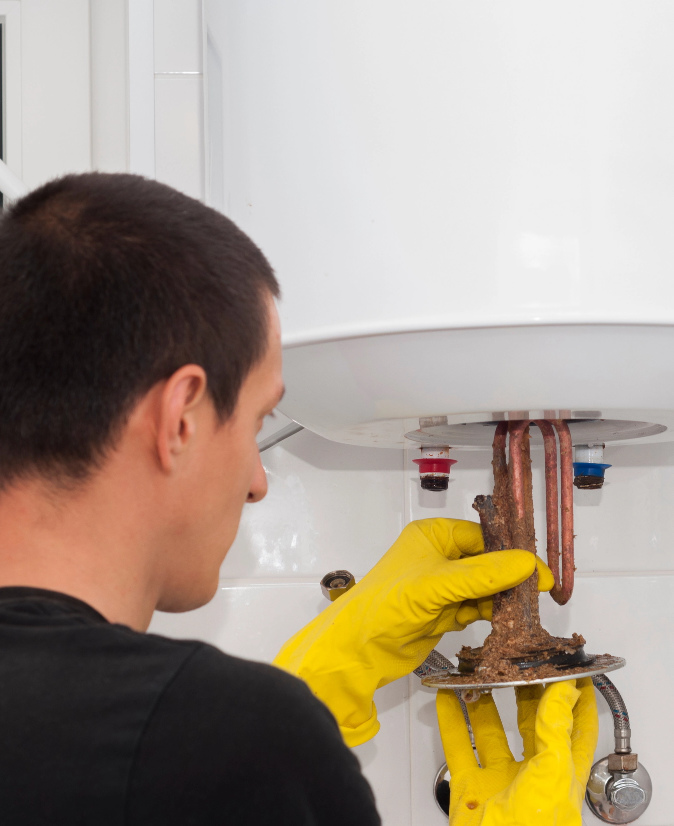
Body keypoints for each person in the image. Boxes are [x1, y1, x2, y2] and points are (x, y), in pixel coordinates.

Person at [0, 172, 596, 824]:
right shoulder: (235, 745)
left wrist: (318, 685)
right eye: (256, 423)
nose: (257, 481)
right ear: (181, 419)